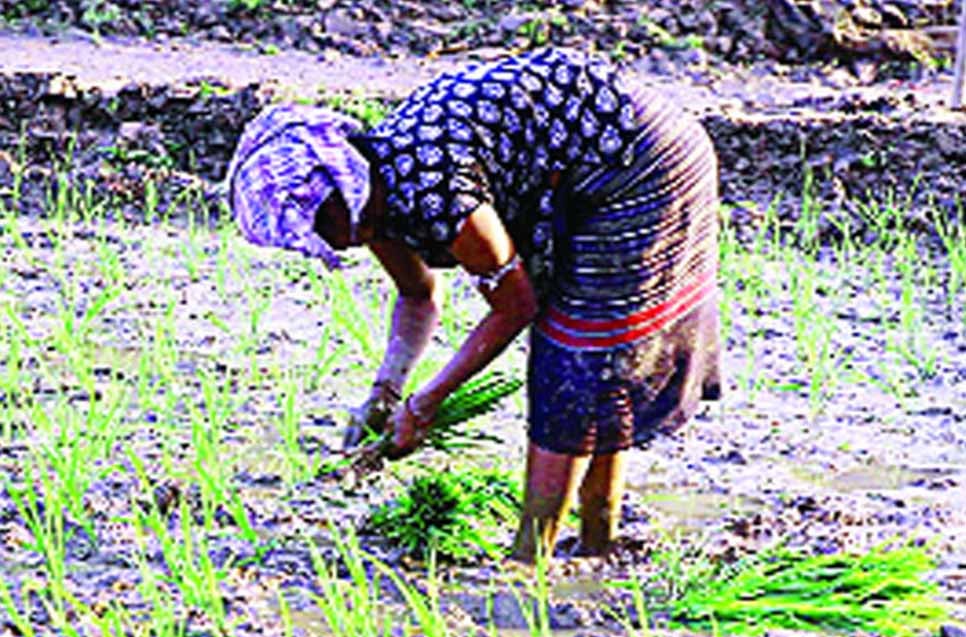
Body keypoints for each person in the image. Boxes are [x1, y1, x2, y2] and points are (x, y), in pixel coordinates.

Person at [226, 47, 721, 563]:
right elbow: (418, 297)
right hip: (594, 162)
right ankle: (597, 544)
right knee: (588, 361)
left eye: (325, 225)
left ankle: (531, 559)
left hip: (639, 162)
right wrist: (386, 392)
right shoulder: (370, 202)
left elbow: (515, 305)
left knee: (571, 359)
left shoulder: (430, 184)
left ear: (341, 187)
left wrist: (426, 403)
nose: (338, 241)